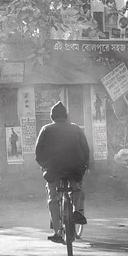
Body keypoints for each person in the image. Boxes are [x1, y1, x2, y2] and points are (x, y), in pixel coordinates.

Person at [35, 101, 90, 243]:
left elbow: (38, 153)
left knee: (53, 197)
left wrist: (44, 166)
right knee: (77, 189)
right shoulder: (76, 129)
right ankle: (77, 211)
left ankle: (57, 231)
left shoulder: (46, 129)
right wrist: (85, 166)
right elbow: (86, 150)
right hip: (75, 168)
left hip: (53, 169)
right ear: (66, 116)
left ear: (52, 116)